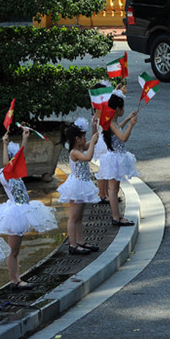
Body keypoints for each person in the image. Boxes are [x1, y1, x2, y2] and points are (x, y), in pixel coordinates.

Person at [0, 128, 58, 290]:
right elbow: (5, 163)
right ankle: (15, 281)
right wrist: (5, 144)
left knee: (15, 250)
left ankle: (17, 278)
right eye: (15, 159)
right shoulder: (6, 173)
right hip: (15, 214)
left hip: (23, 211)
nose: (19, 161)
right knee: (13, 251)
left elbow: (20, 156)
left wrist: (25, 139)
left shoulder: (16, 173)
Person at [58, 117, 101, 255]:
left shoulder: (80, 147)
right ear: (77, 139)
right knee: (73, 217)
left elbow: (91, 144)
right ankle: (73, 244)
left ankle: (81, 242)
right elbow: (88, 157)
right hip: (77, 186)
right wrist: (93, 142)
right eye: (84, 136)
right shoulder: (75, 152)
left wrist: (94, 128)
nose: (86, 139)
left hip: (82, 184)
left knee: (79, 217)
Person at [95, 90, 138, 227]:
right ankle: (116, 217)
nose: (124, 110)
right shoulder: (112, 123)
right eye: (123, 108)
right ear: (118, 108)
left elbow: (117, 130)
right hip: (115, 158)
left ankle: (117, 216)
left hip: (114, 157)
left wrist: (127, 119)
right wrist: (131, 125)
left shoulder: (111, 121)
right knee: (113, 189)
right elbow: (123, 137)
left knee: (114, 188)